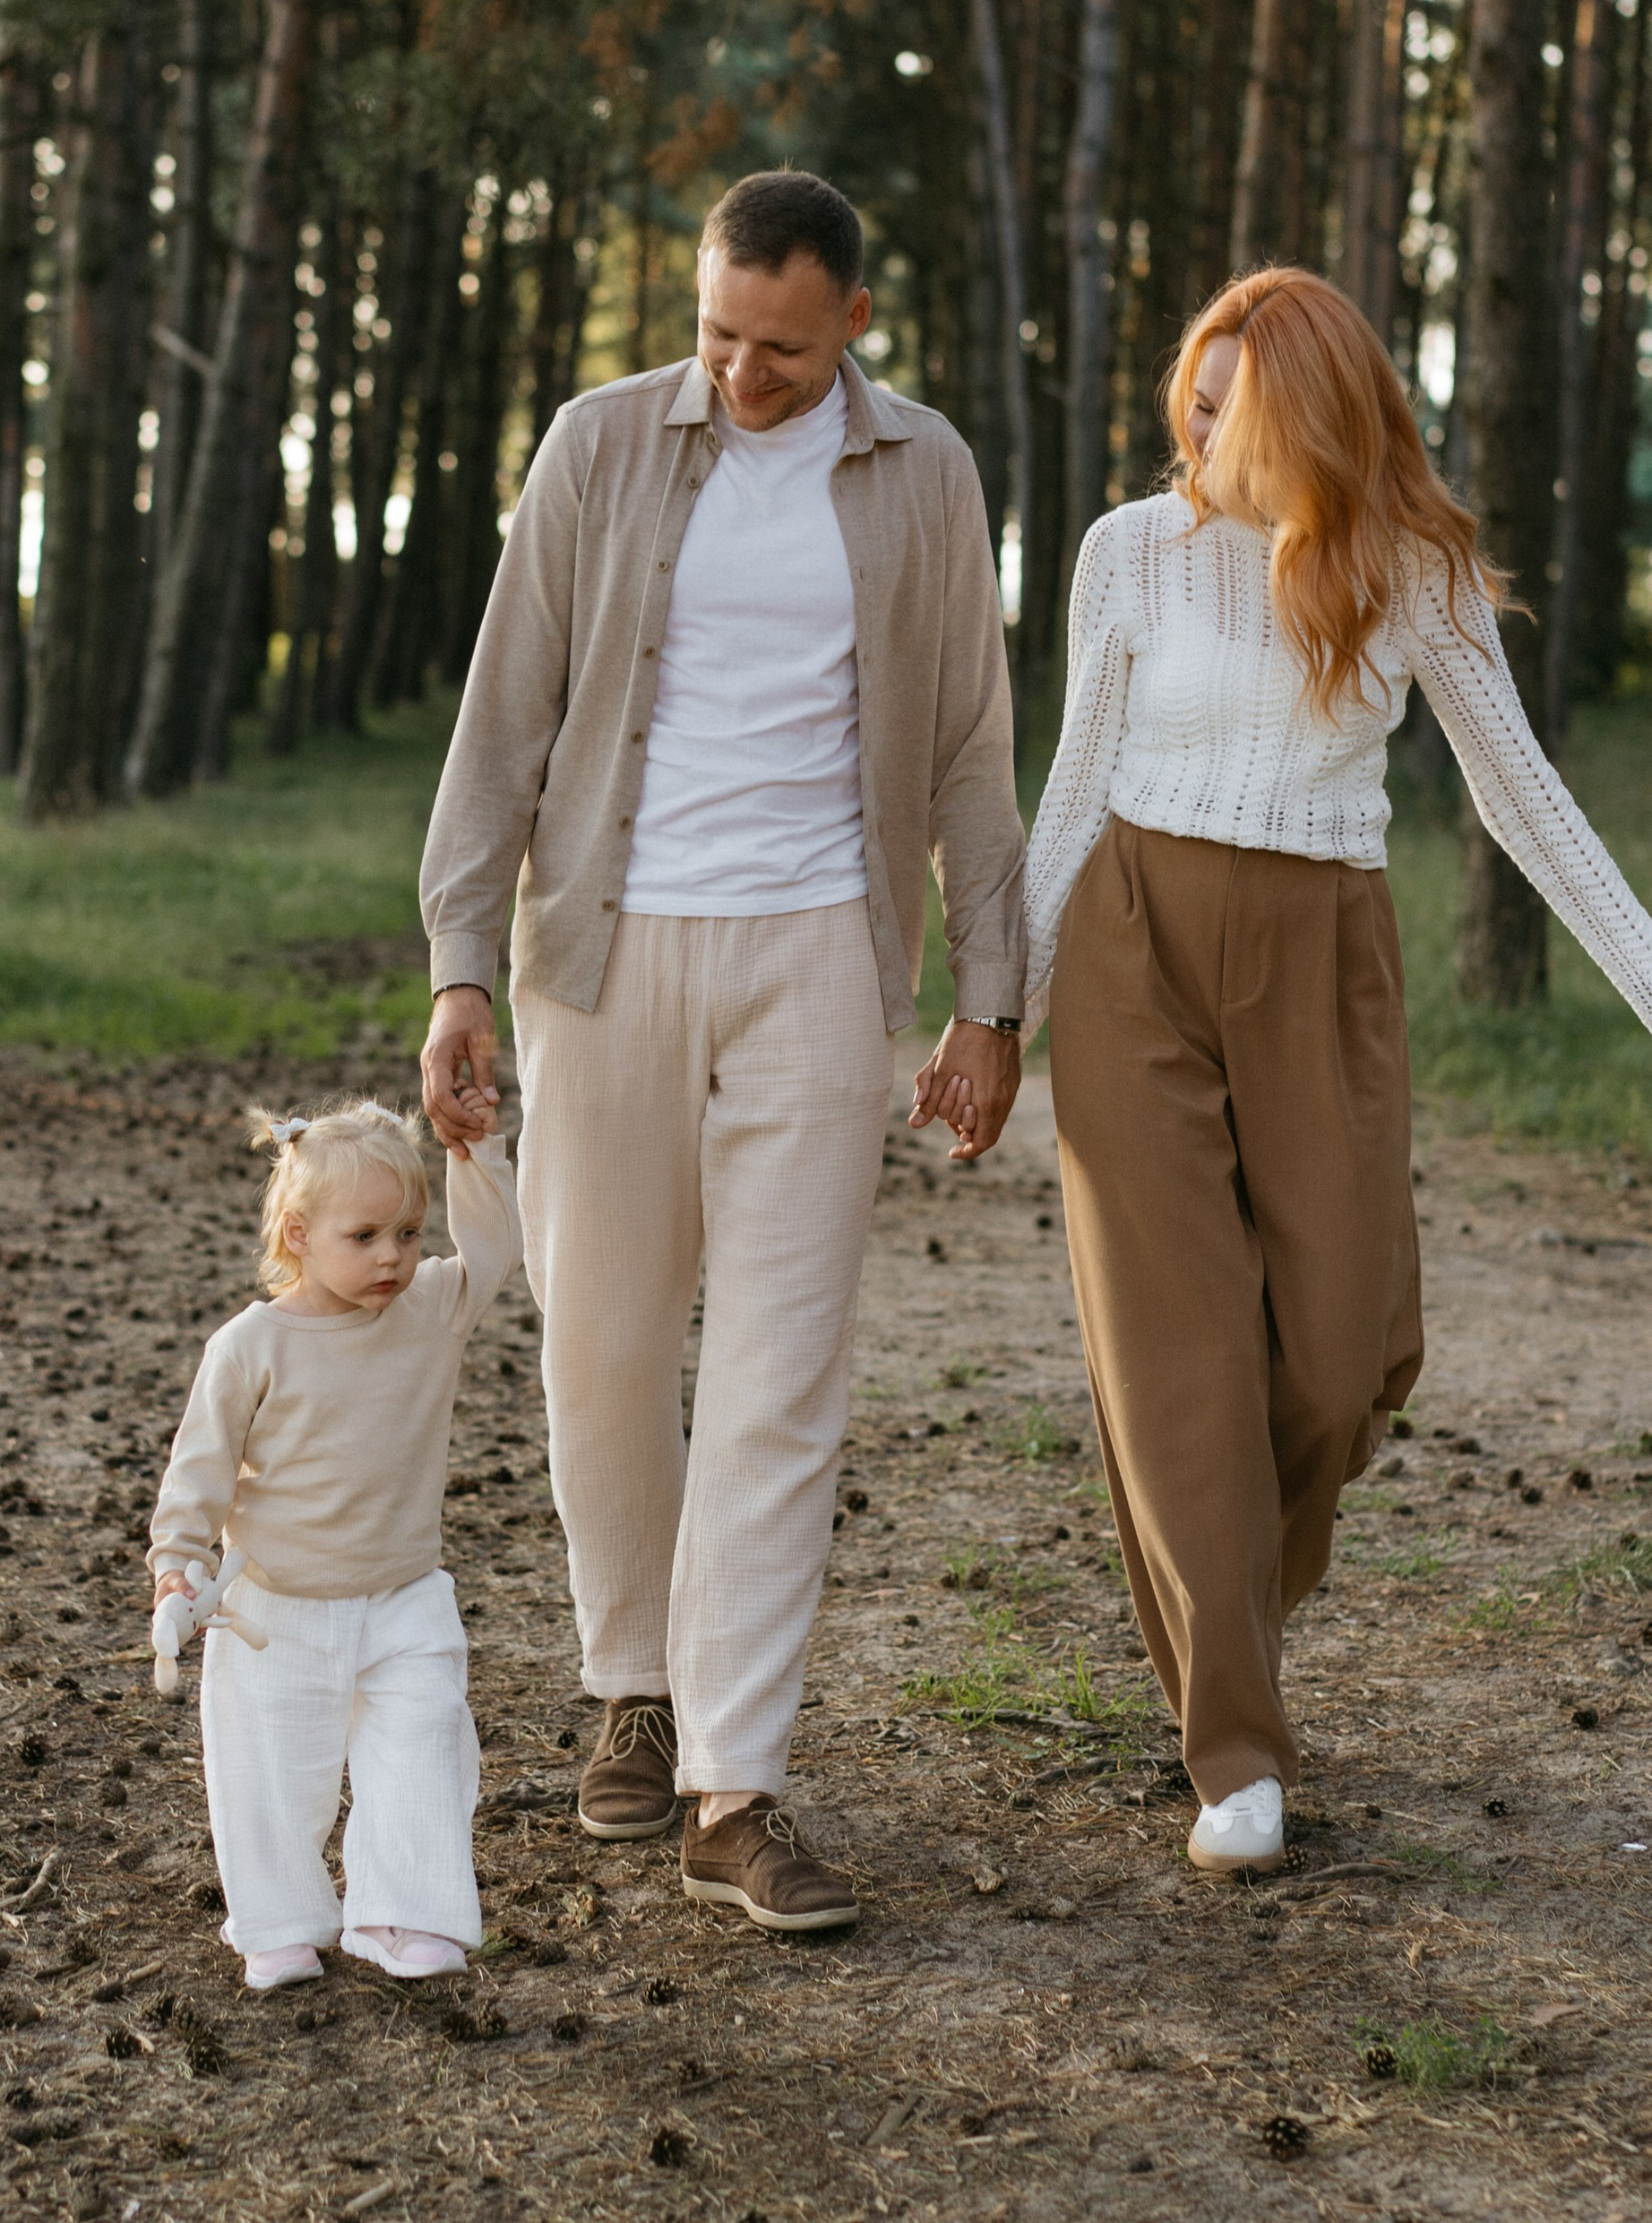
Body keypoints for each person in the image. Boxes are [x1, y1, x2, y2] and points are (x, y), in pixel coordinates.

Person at [1025, 270, 1652, 1880]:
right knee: (1179, 1357)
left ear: (1307, 417)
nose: (1193, 432)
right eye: (1186, 402)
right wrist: (993, 1011)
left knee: (1341, 1366)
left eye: (1228, 409)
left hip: (1322, 961)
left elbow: (1521, 797)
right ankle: (1238, 1752)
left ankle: (1231, 1614)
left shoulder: (1407, 573)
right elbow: (1070, 788)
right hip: (1134, 946)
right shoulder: (1127, 554)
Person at [418, 168, 1026, 1937]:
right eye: (713, 337)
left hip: (822, 960)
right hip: (604, 952)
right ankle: (632, 1687)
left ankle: (732, 1786)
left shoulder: (924, 477)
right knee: (602, 1348)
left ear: (851, 325)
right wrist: (462, 965)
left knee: (779, 1375)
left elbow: (975, 751)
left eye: (776, 347)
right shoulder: (602, 448)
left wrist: (989, 997)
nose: (740, 377)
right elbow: (500, 712)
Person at [147, 1096, 522, 1992]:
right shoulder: (248, 1347)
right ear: (298, 1232)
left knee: (423, 1751)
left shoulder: (431, 1307)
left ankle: (400, 1912)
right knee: (272, 1773)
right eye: (365, 1237)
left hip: (405, 1597)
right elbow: (198, 1474)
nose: (393, 1255)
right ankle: (280, 1923)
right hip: (276, 1608)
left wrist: (471, 1152)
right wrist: (175, 1571)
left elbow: (499, 1246)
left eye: (407, 1230)